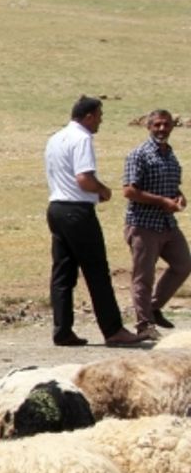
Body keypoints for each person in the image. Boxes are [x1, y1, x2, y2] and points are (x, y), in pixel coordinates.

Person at [44, 96, 147, 347]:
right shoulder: (82, 139)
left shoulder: (55, 138)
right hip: (77, 212)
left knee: (63, 273)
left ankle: (62, 330)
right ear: (89, 116)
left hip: (56, 207)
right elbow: (83, 178)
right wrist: (103, 191)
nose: (101, 120)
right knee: (96, 270)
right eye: (99, 115)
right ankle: (113, 330)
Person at [122, 108, 188, 339]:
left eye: (166, 124)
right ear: (148, 127)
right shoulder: (139, 154)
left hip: (167, 223)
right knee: (144, 276)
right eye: (157, 125)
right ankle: (144, 324)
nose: (162, 129)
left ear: (172, 126)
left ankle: (154, 307)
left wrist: (179, 197)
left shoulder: (169, 154)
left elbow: (171, 187)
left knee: (183, 264)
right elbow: (129, 190)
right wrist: (162, 201)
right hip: (143, 224)